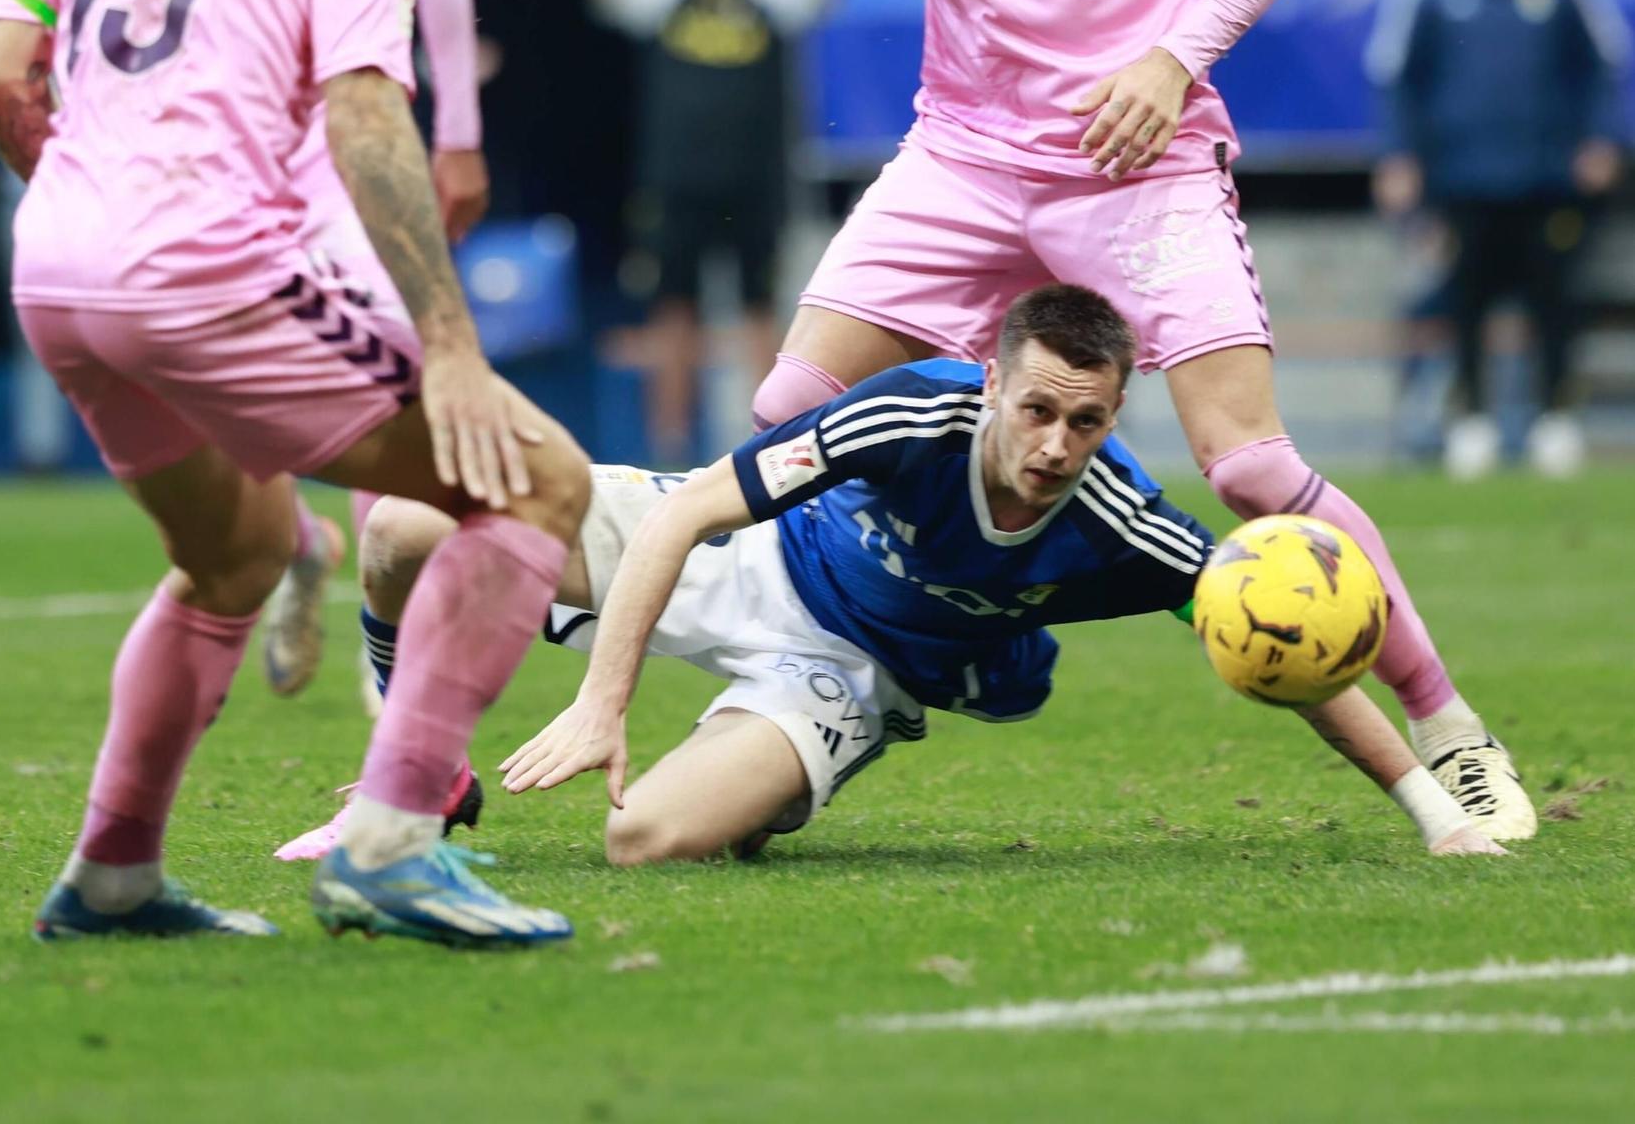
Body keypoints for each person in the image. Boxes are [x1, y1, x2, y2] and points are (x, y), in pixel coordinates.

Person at [650, 0, 1535, 842]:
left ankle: (1447, 726)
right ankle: (961, 636)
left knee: (1243, 472)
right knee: (785, 415)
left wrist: (1171, 58)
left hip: (1141, 162)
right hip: (961, 153)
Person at [0, 0, 589, 948]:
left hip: (60, 273)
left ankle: (113, 876)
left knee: (237, 557)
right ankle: (393, 838)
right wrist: (451, 345)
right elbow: (368, 106)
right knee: (536, 483)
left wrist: (89, 211)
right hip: (209, 266)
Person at [282, 287, 1498, 867]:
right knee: (397, 528)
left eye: (1084, 422)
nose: (1052, 446)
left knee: (644, 839)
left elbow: (1282, 639)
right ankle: (414, 779)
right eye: (1033, 410)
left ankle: (767, 778)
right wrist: (602, 700)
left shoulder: (1120, 520)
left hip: (843, 669)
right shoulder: (906, 414)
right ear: (988, 387)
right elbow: (690, 511)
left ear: (1113, 414)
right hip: (746, 553)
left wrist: (1430, 809)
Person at [94, 0, 493, 702]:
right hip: (191, 151)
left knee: (393, 369)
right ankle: (278, 550)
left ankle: (385, 635)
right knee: (195, 376)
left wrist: (456, 130)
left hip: (326, 138)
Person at [511, 0, 844, 468]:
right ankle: (668, 456)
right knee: (673, 319)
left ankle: (764, 454)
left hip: (757, 190)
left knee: (760, 320)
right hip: (673, 192)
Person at [1368, 0, 1627, 480]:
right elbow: (1398, 78)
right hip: (1462, 181)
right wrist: (1400, 156)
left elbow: (1602, 65)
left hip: (1546, 180)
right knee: (1465, 306)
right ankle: (1472, 419)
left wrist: (1598, 139)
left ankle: (1555, 418)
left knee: (1555, 305)